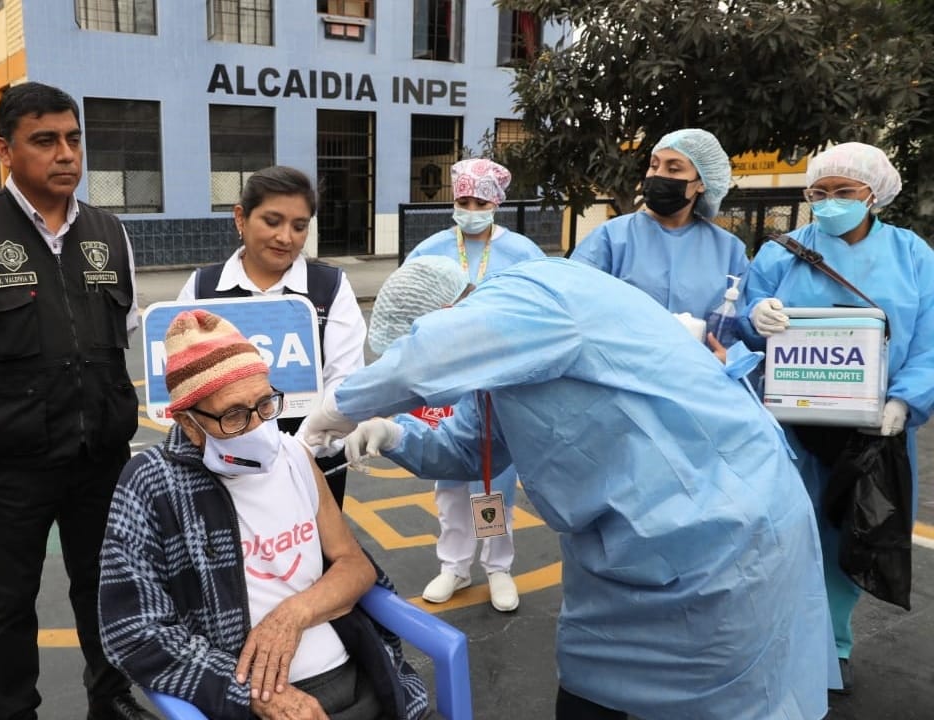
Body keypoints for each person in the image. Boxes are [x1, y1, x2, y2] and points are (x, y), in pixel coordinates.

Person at [304, 256, 834, 720]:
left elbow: (427, 357)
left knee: (724, 698)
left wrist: (341, 402)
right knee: (588, 681)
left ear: (447, 315)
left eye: (418, 337)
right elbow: (468, 447)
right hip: (618, 553)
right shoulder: (501, 366)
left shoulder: (535, 295)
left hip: (718, 535)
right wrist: (393, 432)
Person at [0, 82, 152, 720]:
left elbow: (121, 334)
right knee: (7, 601)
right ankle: (12, 712)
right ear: (5, 150)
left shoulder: (108, 231)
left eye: (73, 139)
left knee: (104, 588)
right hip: (8, 464)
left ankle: (111, 699)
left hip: (100, 456)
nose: (65, 154)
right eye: (45, 140)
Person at [98, 309, 429, 720]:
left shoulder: (293, 456)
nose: (258, 427)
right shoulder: (152, 484)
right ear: (188, 422)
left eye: (264, 403)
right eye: (234, 415)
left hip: (357, 674)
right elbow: (130, 632)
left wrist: (292, 615)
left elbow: (355, 566)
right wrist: (251, 693)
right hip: (255, 700)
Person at [738, 141, 934, 694]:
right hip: (792, 428)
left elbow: (929, 339)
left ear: (874, 195)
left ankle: (834, 645)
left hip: (872, 431)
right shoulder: (783, 251)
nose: (828, 203)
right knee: (786, 532)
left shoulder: (913, 254)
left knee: (851, 535)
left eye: (842, 192)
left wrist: (905, 401)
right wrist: (755, 318)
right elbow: (745, 330)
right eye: (818, 193)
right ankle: (781, 639)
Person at [399, 158, 543, 612]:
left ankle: (497, 567)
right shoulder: (431, 249)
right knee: (449, 481)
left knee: (492, 483)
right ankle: (454, 566)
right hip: (448, 380)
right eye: (463, 201)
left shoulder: (521, 252)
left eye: (480, 201)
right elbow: (405, 307)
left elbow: (543, 311)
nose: (470, 209)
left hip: (499, 381)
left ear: (496, 202)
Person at [178, 166, 366, 508]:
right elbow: (181, 386)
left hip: (312, 467)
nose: (286, 237)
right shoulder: (202, 288)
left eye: (299, 226)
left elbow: (345, 383)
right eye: (272, 221)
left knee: (314, 561)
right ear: (240, 217)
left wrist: (297, 452)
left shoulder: (330, 288)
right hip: (222, 472)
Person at [571, 128, 748, 321]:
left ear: (702, 183)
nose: (658, 175)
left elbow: (741, 323)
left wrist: (726, 351)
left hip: (698, 352)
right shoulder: (611, 237)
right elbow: (573, 301)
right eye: (654, 166)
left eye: (673, 169)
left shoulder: (728, 250)